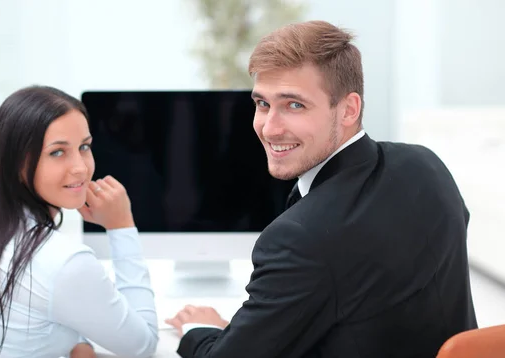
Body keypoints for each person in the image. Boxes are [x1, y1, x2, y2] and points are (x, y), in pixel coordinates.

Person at [165, 20, 477, 357]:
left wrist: (201, 330)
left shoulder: (300, 237)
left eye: (294, 105)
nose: (269, 128)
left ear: (348, 110)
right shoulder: (425, 164)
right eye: (262, 104)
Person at [0, 86, 159, 358]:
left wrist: (78, 343)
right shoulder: (64, 262)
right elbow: (144, 344)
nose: (80, 166)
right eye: (57, 152)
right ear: (16, 163)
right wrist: (121, 225)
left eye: (84, 147)